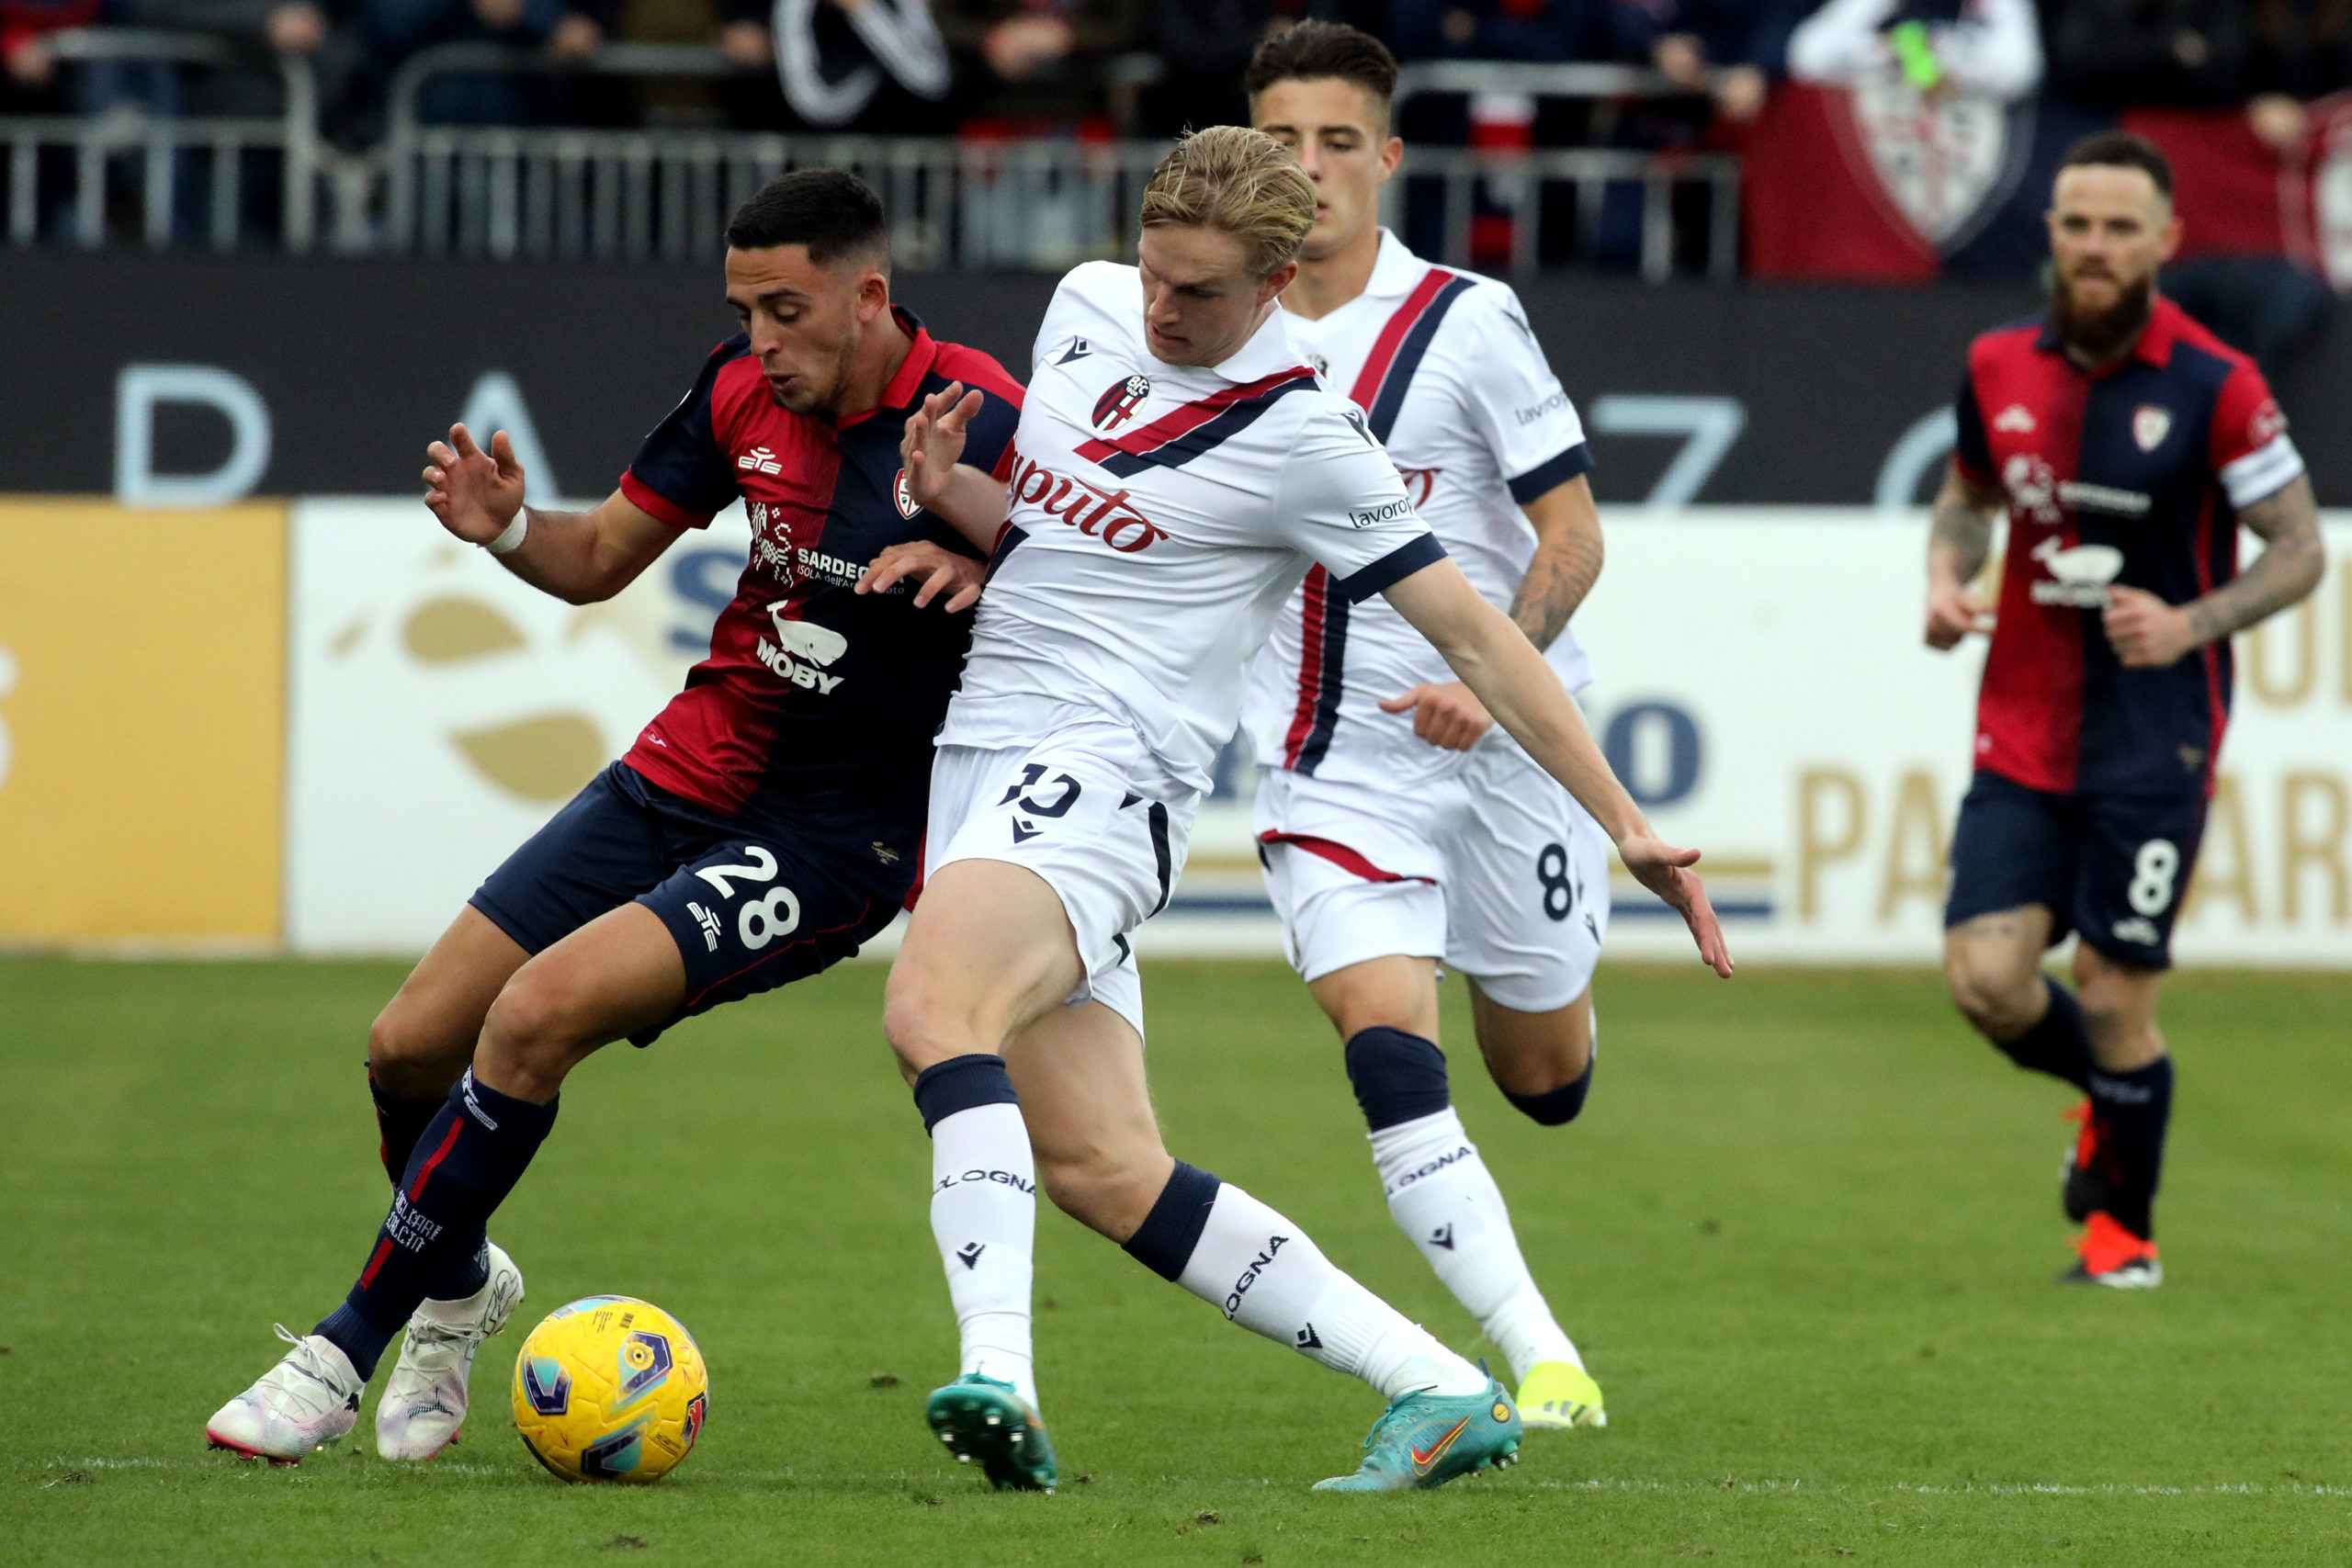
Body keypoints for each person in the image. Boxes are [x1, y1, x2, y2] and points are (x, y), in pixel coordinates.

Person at [886, 123, 1732, 1494]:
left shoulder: (1308, 436)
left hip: (1104, 781)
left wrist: (1626, 819)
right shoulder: (1085, 307)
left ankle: (999, 1372)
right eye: (1156, 274)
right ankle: (1441, 1384)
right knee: (1106, 1166)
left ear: (1278, 281)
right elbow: (1059, 527)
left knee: (934, 1012)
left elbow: (1477, 636)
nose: (1163, 308)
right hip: (982, 757)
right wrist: (953, 494)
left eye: (1202, 292)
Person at [203, 169, 1021, 1464]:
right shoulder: (740, 389)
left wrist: (987, 551)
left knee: (531, 1017)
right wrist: (508, 526)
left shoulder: (986, 416)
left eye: (787, 308)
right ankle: (463, 1285)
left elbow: (1119, 589)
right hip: (685, 769)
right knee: (410, 1042)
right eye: (744, 306)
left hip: (833, 836)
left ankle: (339, 1350)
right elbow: (593, 561)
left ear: (868, 295)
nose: (761, 338)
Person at [1235, 20, 1611, 1435]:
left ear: (1386, 160)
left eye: (1340, 143)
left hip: (1505, 742)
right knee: (1387, 1037)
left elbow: (1573, 537)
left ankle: (1557, 1015)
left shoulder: (1467, 319)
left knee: (1543, 1078)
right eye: (1285, 141)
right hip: (1333, 763)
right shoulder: (1205, 328)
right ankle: (1538, 1351)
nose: (1313, 170)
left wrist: (1498, 658)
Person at [1925, 130, 2324, 1289]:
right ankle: (2110, 1098)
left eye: (2118, 229)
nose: (2094, 247)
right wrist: (1945, 581)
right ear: (2049, 231)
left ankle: (2121, 1239)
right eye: (2075, 224)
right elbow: (1966, 496)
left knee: (2111, 989)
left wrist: (2189, 622)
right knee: (1983, 982)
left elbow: (2299, 550)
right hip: (2022, 729)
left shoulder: (2217, 385)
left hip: (2158, 735)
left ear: (2164, 242)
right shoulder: (1998, 362)